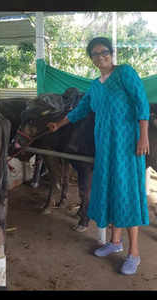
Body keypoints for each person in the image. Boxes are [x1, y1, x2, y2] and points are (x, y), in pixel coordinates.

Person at [47, 37, 149, 275]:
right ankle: (115, 242)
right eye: (95, 53)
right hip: (104, 147)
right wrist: (58, 124)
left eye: (104, 51)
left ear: (112, 53)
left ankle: (134, 253)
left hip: (126, 145)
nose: (100, 56)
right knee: (109, 191)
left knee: (126, 193)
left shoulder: (125, 73)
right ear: (91, 58)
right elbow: (81, 110)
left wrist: (143, 135)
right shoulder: (95, 85)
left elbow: (141, 102)